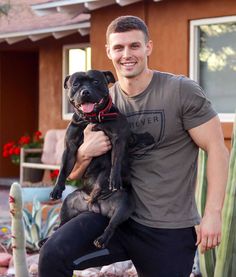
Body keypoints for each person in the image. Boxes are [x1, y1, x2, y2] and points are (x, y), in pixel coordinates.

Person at [38, 15, 229, 277]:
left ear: (148, 47)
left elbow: (217, 148)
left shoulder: (180, 91)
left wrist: (213, 214)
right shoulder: (99, 102)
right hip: (110, 215)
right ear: (109, 52)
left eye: (134, 46)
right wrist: (84, 153)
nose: (126, 54)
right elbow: (73, 174)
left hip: (167, 226)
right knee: (52, 252)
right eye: (118, 47)